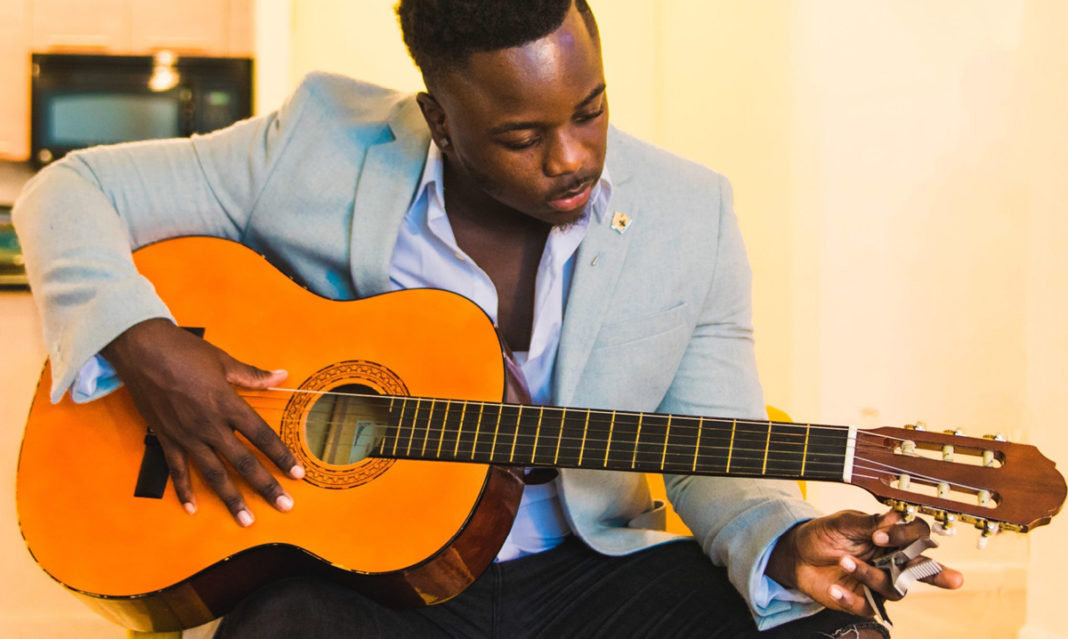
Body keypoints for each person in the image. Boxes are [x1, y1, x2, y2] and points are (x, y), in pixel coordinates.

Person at [13, 1, 962, 637]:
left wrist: (783, 538)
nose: (571, 158)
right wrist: (145, 345)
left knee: (827, 631)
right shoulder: (317, 143)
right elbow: (72, 191)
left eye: (590, 111)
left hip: (590, 567)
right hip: (366, 586)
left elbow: (714, 446)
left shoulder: (691, 212)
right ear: (439, 113)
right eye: (520, 136)